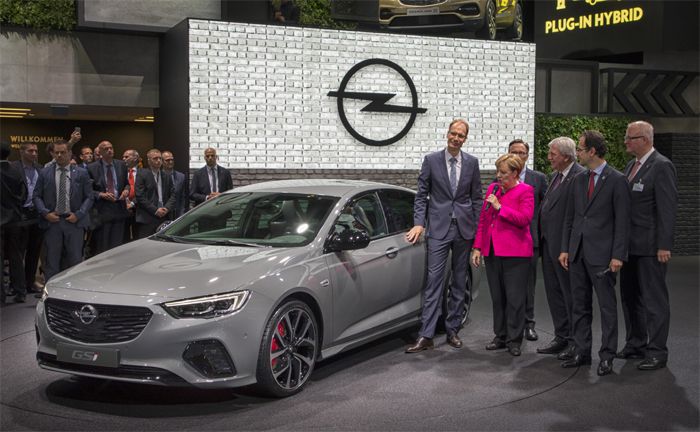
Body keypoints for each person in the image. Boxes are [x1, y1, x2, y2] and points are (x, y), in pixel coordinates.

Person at [404, 119, 482, 353]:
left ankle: (453, 330)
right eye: (453, 133)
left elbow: (476, 198)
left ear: (465, 139)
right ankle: (426, 335)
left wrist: (478, 232)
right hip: (438, 229)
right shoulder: (431, 161)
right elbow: (421, 196)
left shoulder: (471, 163)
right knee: (434, 281)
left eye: (461, 135)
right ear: (447, 134)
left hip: (464, 229)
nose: (456, 138)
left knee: (459, 281)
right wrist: (419, 223)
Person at [558, 130, 630, 376]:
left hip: (604, 256)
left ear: (592, 151)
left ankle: (607, 356)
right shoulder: (578, 179)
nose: (577, 153)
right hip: (577, 253)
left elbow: (622, 221)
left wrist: (618, 255)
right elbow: (571, 217)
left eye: (580, 149)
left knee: (607, 308)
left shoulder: (618, 180)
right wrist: (566, 248)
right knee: (579, 306)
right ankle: (582, 351)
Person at [619, 121, 678, 371]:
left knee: (654, 301)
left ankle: (657, 351)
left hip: (651, 248)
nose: (626, 142)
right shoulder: (631, 166)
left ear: (644, 139)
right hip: (628, 247)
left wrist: (664, 245)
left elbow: (667, 209)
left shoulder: (662, 166)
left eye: (630, 138)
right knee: (630, 298)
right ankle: (635, 343)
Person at [471, 154, 534, 356]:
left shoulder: (526, 191)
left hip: (516, 253)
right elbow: (483, 220)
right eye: (498, 171)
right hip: (493, 252)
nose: (499, 175)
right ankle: (500, 335)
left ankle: (514, 339)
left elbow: (525, 219)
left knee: (515, 298)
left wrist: (501, 207)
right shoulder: (493, 189)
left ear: (515, 173)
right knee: (498, 298)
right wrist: (478, 247)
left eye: (503, 172)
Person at [536, 137, 585, 359]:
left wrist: (567, 247)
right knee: (554, 294)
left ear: (566, 156)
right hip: (549, 245)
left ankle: (576, 342)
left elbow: (576, 217)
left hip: (565, 250)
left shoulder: (579, 176)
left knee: (570, 296)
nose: (549, 158)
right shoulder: (555, 176)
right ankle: (561, 337)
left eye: (552, 154)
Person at [33, 141, 93, 283]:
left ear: (69, 153)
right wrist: (45, 213)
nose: (59, 155)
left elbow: (89, 197)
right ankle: (51, 292)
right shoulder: (44, 172)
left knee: (75, 260)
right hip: (52, 222)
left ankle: (74, 291)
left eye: (63, 152)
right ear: (52, 154)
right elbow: (36, 196)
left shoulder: (81, 173)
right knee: (52, 261)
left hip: (73, 222)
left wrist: (78, 214)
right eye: (56, 152)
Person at [508, 139, 547, 342]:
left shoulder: (538, 179)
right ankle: (509, 326)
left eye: (522, 153)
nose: (518, 155)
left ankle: (529, 324)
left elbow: (546, 210)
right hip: (507, 240)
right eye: (514, 152)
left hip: (530, 240)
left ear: (527, 155)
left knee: (528, 285)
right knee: (508, 286)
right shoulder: (502, 178)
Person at [6, 142, 43, 302]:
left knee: (34, 252)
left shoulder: (40, 169)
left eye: (36, 151)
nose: (34, 153)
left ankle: (29, 282)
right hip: (19, 215)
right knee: (17, 253)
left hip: (37, 214)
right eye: (30, 150)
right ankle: (16, 285)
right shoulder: (13, 168)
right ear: (21, 152)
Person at [88, 141, 130, 254]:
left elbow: (127, 183)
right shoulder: (92, 168)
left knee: (118, 246)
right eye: (106, 149)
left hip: (119, 208)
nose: (110, 150)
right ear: (100, 152)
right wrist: (101, 194)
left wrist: (126, 190)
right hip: (102, 210)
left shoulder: (121, 164)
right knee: (103, 247)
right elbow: (88, 191)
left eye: (111, 148)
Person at [1, 141, 27, 303]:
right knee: (16, 257)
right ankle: (20, 291)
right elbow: (23, 195)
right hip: (15, 220)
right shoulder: (17, 171)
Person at [135, 149, 176, 238]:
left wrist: (166, 208)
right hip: (147, 217)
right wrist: (155, 210)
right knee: (146, 246)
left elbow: (173, 195)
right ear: (149, 161)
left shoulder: (166, 175)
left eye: (160, 158)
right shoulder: (142, 174)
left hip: (164, 217)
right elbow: (140, 196)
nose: (158, 161)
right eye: (155, 158)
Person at [162, 151, 187, 218]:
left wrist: (182, 213)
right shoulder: (158, 176)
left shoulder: (181, 176)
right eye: (167, 160)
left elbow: (183, 196)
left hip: (178, 213)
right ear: (162, 161)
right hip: (163, 213)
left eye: (172, 159)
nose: (170, 162)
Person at [122, 149, 140, 241]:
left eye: (126, 157)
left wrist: (132, 203)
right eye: (123, 157)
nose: (123, 159)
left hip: (139, 208)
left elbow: (144, 192)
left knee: (138, 237)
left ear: (135, 158)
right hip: (123, 209)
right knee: (123, 238)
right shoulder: (120, 172)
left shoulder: (143, 172)